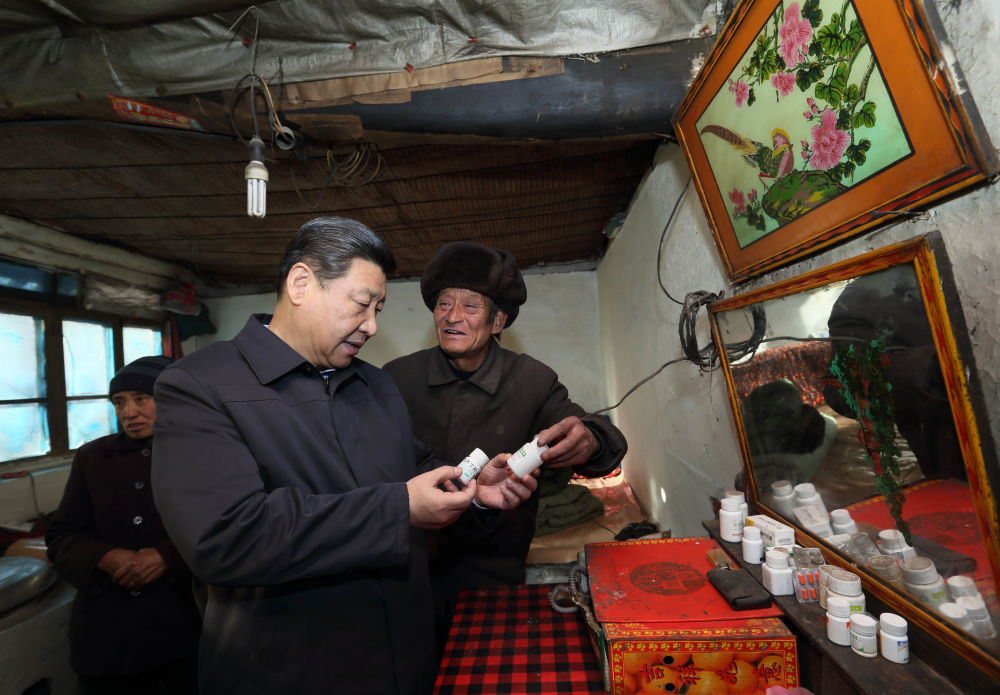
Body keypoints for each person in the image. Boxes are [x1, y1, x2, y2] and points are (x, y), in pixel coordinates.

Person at [149, 217, 537, 695]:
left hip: (405, 664)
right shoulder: (201, 385)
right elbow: (225, 536)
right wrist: (397, 508)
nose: (373, 326)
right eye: (361, 305)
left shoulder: (375, 385)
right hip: (290, 673)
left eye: (379, 308)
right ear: (301, 283)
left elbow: (420, 478)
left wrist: (475, 490)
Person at [382, 241, 627, 647]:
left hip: (493, 564)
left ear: (498, 321)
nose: (453, 316)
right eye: (444, 304)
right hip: (408, 564)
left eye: (471, 306)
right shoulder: (396, 378)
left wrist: (591, 439)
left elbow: (594, 433)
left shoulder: (531, 380)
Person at [46, 355, 201, 695]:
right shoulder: (93, 458)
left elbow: (226, 530)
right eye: (119, 402)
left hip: (182, 631)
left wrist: (166, 557)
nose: (129, 412)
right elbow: (62, 536)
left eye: (142, 399)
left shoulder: (201, 454)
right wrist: (106, 557)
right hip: (105, 639)